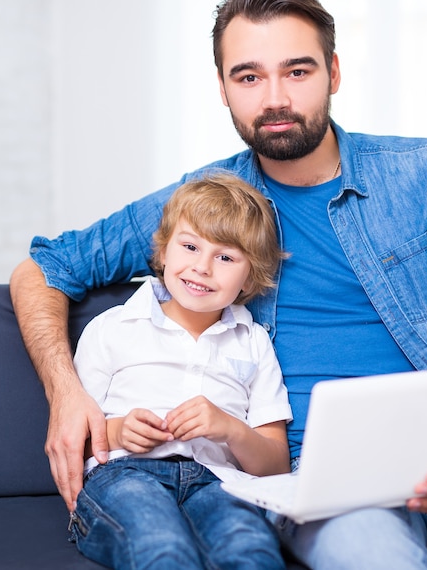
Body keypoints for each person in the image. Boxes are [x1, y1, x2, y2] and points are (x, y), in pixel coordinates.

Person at [10, 0, 427, 569]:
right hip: (326, 485)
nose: (275, 98)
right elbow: (44, 267)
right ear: (223, 88)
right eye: (249, 76)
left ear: (333, 73)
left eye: (298, 71)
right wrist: (66, 392)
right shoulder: (204, 205)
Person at [68, 173, 291, 570]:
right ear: (164, 251)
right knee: (162, 549)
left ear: (250, 276)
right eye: (189, 246)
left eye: (225, 257)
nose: (202, 267)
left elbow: (274, 465)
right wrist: (119, 432)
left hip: (219, 481)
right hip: (125, 474)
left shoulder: (254, 341)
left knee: (249, 550)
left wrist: (229, 428)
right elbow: (73, 440)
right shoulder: (112, 328)